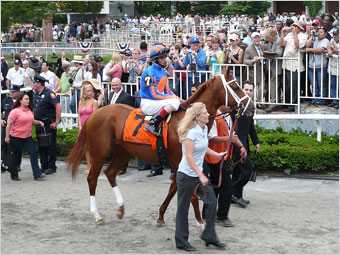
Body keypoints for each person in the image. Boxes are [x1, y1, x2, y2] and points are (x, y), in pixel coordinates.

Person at [175, 102, 226, 252]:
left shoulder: (203, 129)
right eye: (205, 112)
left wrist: (217, 155)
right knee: (183, 209)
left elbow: (203, 147)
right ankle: (181, 241)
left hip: (197, 175)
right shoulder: (191, 133)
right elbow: (189, 157)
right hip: (186, 175)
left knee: (211, 201)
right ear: (198, 116)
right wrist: (201, 174)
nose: (208, 114)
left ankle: (209, 236)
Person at [202, 105, 247, 227]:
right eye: (228, 104)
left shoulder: (227, 116)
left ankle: (207, 214)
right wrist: (230, 139)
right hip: (214, 157)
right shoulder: (215, 117)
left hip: (222, 157)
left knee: (216, 186)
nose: (230, 106)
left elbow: (232, 134)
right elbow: (212, 138)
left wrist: (241, 146)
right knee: (226, 186)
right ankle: (222, 216)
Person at [140, 44, 181, 136]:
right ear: (154, 60)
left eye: (165, 57)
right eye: (161, 57)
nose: (165, 60)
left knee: (178, 101)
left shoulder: (162, 71)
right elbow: (154, 94)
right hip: (148, 103)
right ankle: (152, 123)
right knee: (174, 102)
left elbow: (167, 91)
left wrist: (177, 97)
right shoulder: (149, 72)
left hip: (156, 101)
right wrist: (174, 98)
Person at [231, 81, 260, 208]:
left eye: (250, 90)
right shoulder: (236, 106)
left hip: (245, 143)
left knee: (237, 171)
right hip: (237, 144)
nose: (248, 92)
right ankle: (231, 191)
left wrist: (256, 142)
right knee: (247, 170)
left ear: (253, 92)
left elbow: (251, 127)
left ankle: (236, 196)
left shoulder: (250, 108)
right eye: (246, 89)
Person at [5, 93, 45, 181]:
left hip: (27, 137)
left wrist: (38, 122)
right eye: (26, 99)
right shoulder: (15, 111)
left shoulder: (29, 111)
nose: (28, 101)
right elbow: (9, 124)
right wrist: (7, 137)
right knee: (16, 157)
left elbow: (31, 121)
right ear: (20, 100)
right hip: (16, 137)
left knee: (33, 152)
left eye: (28, 99)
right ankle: (14, 175)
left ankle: (37, 174)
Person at [32, 75, 61, 175]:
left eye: (34, 83)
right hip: (39, 123)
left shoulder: (50, 93)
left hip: (49, 124)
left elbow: (58, 106)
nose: (33, 84)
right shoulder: (36, 94)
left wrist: (56, 122)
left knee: (51, 145)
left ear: (39, 83)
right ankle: (43, 165)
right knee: (41, 145)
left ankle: (52, 166)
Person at [108, 77, 134, 175]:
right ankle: (114, 165)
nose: (114, 87)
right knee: (113, 146)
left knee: (122, 147)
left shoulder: (126, 96)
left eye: (116, 85)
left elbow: (128, 113)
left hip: (122, 125)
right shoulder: (111, 94)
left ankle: (123, 167)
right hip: (112, 124)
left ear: (121, 85)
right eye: (113, 85)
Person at [280, 20, 308, 112]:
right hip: (286, 63)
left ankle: (294, 104)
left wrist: (295, 34)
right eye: (293, 26)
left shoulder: (303, 36)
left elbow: (297, 46)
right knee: (286, 85)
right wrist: (282, 34)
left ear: (300, 28)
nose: (294, 28)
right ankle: (287, 103)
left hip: (296, 65)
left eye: (296, 26)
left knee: (294, 86)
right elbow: (282, 44)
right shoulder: (289, 35)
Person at [305, 26, 329, 106]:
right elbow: (307, 45)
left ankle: (322, 99)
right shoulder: (314, 39)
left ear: (325, 34)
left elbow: (320, 50)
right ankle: (315, 99)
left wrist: (310, 50)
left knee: (321, 83)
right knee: (313, 84)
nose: (319, 33)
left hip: (321, 65)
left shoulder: (326, 40)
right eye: (318, 32)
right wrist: (311, 36)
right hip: (311, 65)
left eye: (321, 32)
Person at [78, 81, 98, 175]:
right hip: (82, 128)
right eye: (88, 91)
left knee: (91, 148)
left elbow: (95, 116)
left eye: (91, 91)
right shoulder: (81, 101)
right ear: (84, 92)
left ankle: (93, 166)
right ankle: (88, 165)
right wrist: (80, 126)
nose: (89, 93)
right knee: (85, 148)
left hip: (90, 128)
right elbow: (78, 115)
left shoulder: (94, 102)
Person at [243, 32, 266, 105]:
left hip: (262, 70)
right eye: (255, 38)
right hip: (253, 73)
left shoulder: (262, 46)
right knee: (252, 89)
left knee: (262, 89)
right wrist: (253, 61)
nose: (257, 39)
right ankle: (251, 104)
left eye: (258, 37)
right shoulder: (248, 49)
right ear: (252, 39)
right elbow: (245, 60)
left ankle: (259, 103)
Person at [327, 27, 339, 109]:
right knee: (332, 85)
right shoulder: (332, 40)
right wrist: (330, 50)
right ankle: (334, 100)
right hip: (332, 68)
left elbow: (338, 51)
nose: (334, 36)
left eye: (336, 34)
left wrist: (332, 48)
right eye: (333, 34)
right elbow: (328, 46)